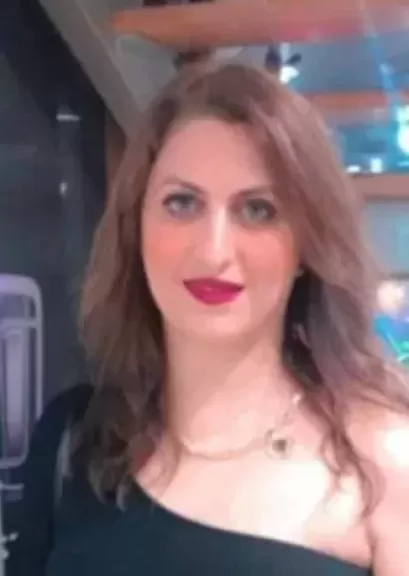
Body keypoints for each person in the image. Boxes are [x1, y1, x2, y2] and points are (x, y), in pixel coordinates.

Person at [9, 62, 409, 576]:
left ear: (306, 244)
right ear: (136, 227)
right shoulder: (73, 441)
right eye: (182, 203)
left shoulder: (384, 461)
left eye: (258, 210)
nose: (214, 250)